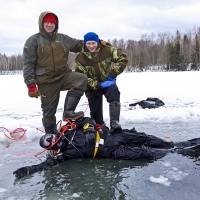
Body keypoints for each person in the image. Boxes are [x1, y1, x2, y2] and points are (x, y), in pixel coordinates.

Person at [13, 117, 200, 179]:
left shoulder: (69, 130)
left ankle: (174, 145)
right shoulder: (64, 155)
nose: (54, 139)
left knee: (145, 138)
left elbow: (87, 120)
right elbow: (47, 166)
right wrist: (30, 169)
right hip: (111, 152)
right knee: (146, 154)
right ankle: (186, 151)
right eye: (50, 142)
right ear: (51, 147)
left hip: (112, 136)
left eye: (51, 136)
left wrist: (90, 126)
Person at [23, 11, 88, 135]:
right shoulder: (33, 41)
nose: (49, 25)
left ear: (56, 24)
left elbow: (79, 45)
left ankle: (68, 112)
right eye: (47, 22)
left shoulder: (63, 39)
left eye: (52, 22)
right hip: (46, 82)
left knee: (81, 79)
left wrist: (95, 42)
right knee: (49, 113)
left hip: (64, 76)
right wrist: (31, 84)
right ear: (42, 23)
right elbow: (28, 64)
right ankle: (51, 136)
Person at [75, 32, 128, 132]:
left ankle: (114, 123)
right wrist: (98, 84)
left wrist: (112, 74)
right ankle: (100, 127)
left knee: (114, 92)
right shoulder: (80, 58)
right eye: (88, 43)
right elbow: (82, 78)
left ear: (97, 42)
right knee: (96, 117)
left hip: (107, 82)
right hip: (92, 87)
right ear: (85, 44)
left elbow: (122, 58)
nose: (91, 46)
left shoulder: (107, 50)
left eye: (93, 43)